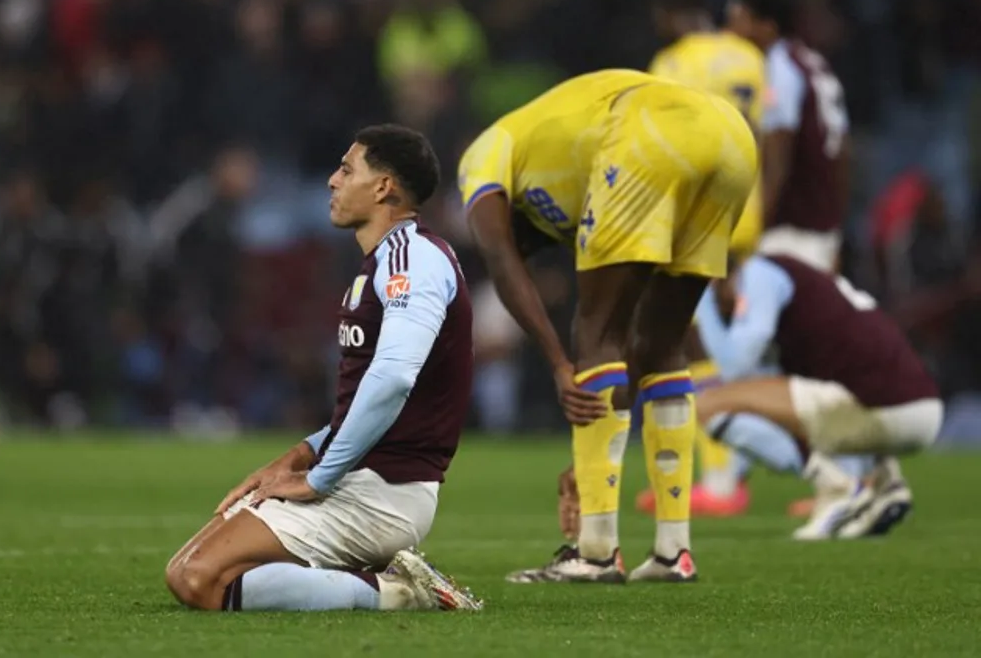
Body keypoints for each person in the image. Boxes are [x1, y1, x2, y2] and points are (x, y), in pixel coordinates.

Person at [165, 125, 481, 612]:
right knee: (185, 568)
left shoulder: (410, 260)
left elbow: (394, 379)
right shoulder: (384, 263)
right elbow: (372, 399)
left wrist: (319, 477)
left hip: (383, 493)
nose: (332, 181)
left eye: (347, 169)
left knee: (197, 580)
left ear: (383, 188)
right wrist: (298, 456)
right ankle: (381, 580)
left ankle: (398, 592)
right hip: (364, 481)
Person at [458, 70, 757, 583]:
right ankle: (673, 553)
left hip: (649, 128)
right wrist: (598, 459)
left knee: (592, 333)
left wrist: (559, 363)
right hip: (731, 138)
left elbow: (501, 259)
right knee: (663, 344)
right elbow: (633, 348)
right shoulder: (572, 176)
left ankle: (594, 554)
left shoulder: (484, 154)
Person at [634, 0, 769, 518]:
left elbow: (666, 146)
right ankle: (724, 469)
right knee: (735, 346)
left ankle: (721, 475)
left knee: (692, 347)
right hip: (751, 210)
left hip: (699, 215)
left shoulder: (669, 63)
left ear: (669, 16)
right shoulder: (746, 56)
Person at [694, 253, 941, 539]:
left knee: (710, 404)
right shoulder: (803, 283)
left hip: (880, 404)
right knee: (774, 394)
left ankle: (839, 487)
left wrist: (701, 303)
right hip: (920, 406)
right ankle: (884, 483)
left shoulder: (760, 273)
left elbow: (733, 367)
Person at [726, 0, 851, 273]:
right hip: (821, 225)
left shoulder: (778, 69)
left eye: (740, 19)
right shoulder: (812, 62)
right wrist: (835, 226)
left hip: (790, 233)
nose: (731, 30)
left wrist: (752, 235)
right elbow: (843, 149)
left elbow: (777, 162)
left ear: (767, 26)